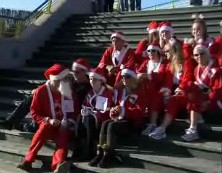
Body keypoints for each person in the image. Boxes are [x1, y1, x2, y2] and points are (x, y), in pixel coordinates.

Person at [17, 64, 80, 173]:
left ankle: (58, 166)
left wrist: (67, 122)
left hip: (64, 125)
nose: (61, 83)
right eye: (58, 81)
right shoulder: (41, 91)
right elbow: (34, 112)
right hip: (47, 124)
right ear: (52, 80)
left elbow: (74, 111)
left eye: (63, 80)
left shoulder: (68, 91)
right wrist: (48, 120)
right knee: (44, 127)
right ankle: (28, 160)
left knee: (63, 135)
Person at [2, 58, 92, 131]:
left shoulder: (90, 85)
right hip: (58, 102)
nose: (74, 74)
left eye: (77, 72)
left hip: (71, 112)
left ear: (85, 72)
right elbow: (53, 83)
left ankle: (23, 126)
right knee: (32, 98)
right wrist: (38, 90)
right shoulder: (71, 79)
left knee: (37, 125)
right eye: (73, 71)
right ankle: (10, 122)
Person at [88, 68, 147, 168]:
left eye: (127, 77)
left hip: (133, 122)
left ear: (133, 78)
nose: (123, 79)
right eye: (122, 77)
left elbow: (139, 111)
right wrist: (113, 110)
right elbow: (116, 106)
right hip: (121, 120)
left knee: (111, 126)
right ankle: (101, 152)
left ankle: (109, 154)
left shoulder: (140, 92)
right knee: (106, 123)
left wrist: (123, 110)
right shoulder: (121, 92)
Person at [148, 41, 197, 140]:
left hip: (186, 94)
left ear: (174, 51)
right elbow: (167, 83)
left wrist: (180, 89)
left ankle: (162, 128)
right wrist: (165, 92)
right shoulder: (169, 66)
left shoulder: (186, 62)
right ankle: (152, 124)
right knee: (158, 95)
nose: (165, 54)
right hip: (175, 93)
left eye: (167, 51)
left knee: (173, 100)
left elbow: (187, 79)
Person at [181, 44, 222, 142]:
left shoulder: (215, 68)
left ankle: (193, 128)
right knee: (189, 90)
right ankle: (196, 122)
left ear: (207, 54)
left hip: (214, 100)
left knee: (194, 101)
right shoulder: (196, 69)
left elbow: (218, 90)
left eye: (201, 54)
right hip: (201, 99)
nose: (198, 57)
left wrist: (206, 101)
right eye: (196, 55)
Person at [76, 67, 113, 160]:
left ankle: (90, 152)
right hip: (90, 116)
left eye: (95, 79)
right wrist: (84, 110)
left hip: (102, 119)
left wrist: (91, 113)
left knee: (89, 120)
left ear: (101, 81)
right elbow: (85, 104)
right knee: (80, 120)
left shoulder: (106, 93)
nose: (92, 81)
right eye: (91, 79)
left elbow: (104, 110)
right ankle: (79, 150)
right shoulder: (90, 92)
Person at [137, 41, 168, 135]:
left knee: (156, 95)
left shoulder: (163, 62)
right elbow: (139, 73)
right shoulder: (146, 62)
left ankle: (153, 123)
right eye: (149, 51)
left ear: (158, 51)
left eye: (153, 51)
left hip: (160, 89)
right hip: (147, 89)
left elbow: (161, 77)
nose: (150, 53)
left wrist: (146, 76)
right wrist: (143, 76)